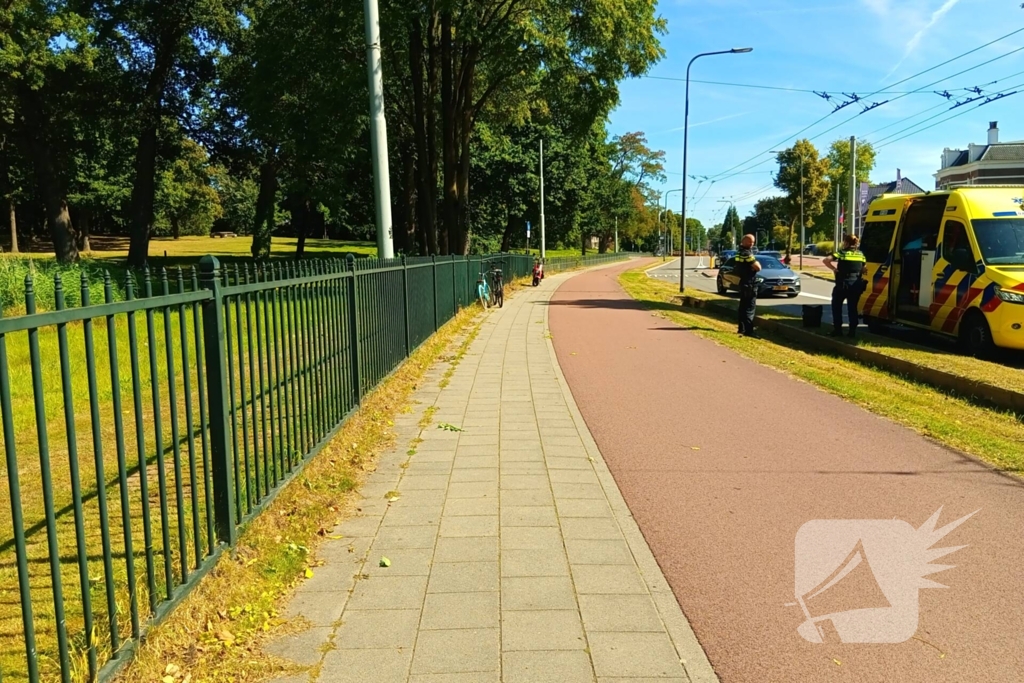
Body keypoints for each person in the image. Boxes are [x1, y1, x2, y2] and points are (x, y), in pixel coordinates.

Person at [824, 234, 868, 338]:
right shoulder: (860, 254)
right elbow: (864, 268)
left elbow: (826, 260)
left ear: (846, 242)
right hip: (856, 284)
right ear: (856, 243)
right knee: (852, 308)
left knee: (836, 306)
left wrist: (834, 269)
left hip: (842, 284)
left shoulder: (842, 253)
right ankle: (852, 332)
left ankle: (838, 330)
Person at [735, 234, 762, 337]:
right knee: (749, 308)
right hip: (750, 282)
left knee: (743, 307)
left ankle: (741, 328)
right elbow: (758, 267)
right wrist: (756, 264)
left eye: (753, 242)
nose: (752, 244)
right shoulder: (747, 253)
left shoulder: (739, 252)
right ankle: (749, 331)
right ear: (744, 241)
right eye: (750, 242)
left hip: (743, 282)